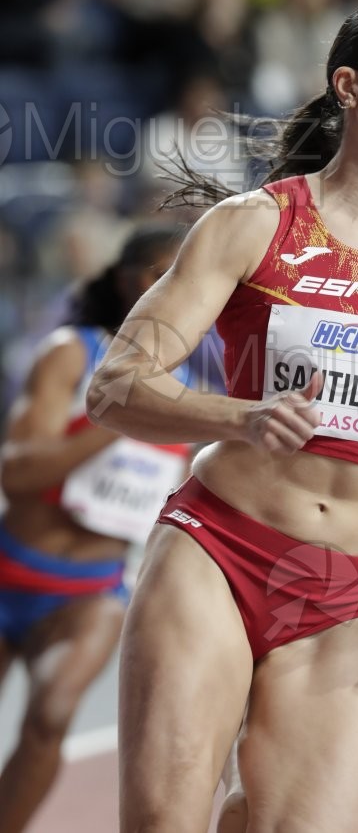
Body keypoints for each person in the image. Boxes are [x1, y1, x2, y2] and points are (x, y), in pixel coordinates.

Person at [87, 0, 358, 833]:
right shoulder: (253, 226)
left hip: (342, 602)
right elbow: (115, 385)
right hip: (218, 553)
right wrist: (241, 418)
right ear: (350, 85)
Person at [0, 223, 193, 833]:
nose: (167, 286)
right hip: (12, 569)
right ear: (126, 281)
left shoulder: (193, 391)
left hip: (91, 592)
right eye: (155, 271)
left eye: (181, 273)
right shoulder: (70, 352)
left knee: (52, 715)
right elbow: (17, 474)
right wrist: (115, 414)